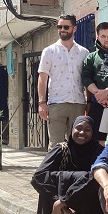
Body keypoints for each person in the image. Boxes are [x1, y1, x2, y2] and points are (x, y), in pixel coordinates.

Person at [30, 116, 104, 214]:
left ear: (93, 133)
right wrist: (57, 201)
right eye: (79, 128)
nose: (82, 132)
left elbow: (94, 178)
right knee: (54, 179)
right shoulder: (61, 149)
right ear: (71, 130)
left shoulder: (98, 151)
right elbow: (38, 177)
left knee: (83, 179)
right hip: (58, 199)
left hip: (86, 200)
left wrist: (64, 201)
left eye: (87, 130)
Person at [38, 14, 89, 149]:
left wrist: (88, 102)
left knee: (78, 143)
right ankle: (53, 170)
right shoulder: (49, 51)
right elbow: (42, 79)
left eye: (66, 27)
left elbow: (87, 79)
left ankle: (75, 170)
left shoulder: (84, 52)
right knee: (56, 145)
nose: (62, 30)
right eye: (59, 27)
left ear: (74, 29)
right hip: (56, 103)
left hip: (78, 103)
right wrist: (42, 103)